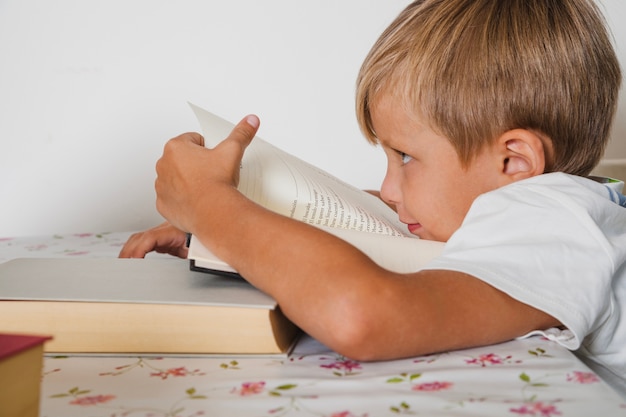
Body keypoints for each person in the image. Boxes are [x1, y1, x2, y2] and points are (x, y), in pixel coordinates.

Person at [120, 0, 626, 397]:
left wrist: (213, 205)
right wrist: (222, 233)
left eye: (405, 157)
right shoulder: (558, 208)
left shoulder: (548, 223)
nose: (387, 189)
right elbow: (378, 220)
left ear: (514, 162)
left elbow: (360, 317)